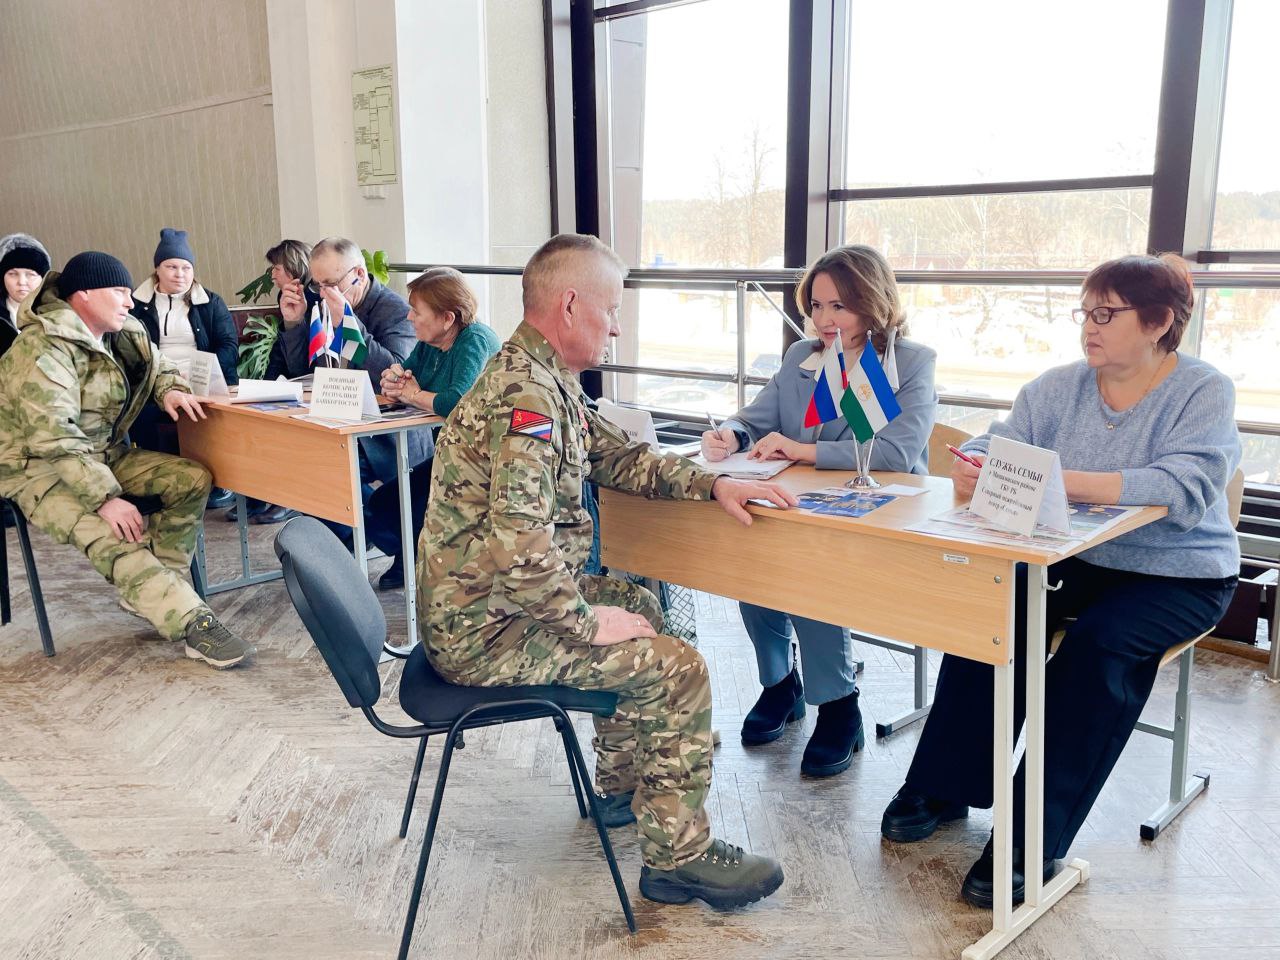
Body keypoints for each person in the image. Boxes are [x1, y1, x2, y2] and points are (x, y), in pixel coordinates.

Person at [421, 233, 798, 909]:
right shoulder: (523, 399)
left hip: (492, 607)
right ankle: (677, 859)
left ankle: (626, 788)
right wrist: (584, 623)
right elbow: (520, 542)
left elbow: (620, 456)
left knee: (637, 603)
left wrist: (713, 486)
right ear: (570, 305)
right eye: (611, 308)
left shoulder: (543, 378)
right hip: (487, 631)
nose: (618, 325)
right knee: (678, 666)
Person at [880, 254, 1240, 908]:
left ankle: (1030, 838)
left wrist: (1054, 477)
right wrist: (976, 466)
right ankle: (945, 782)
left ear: (1159, 323)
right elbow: (1002, 446)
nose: (1088, 327)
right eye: (1084, 312)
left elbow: (1183, 488)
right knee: (993, 610)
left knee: (1100, 646)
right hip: (1076, 558)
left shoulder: (1201, 390)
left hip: (1179, 574)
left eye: (1106, 314)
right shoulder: (1057, 387)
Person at [700, 244, 937, 778]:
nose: (825, 320)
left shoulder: (910, 361)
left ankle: (838, 704)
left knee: (807, 569)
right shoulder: (802, 357)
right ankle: (780, 684)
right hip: (802, 506)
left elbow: (898, 453)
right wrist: (729, 434)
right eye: (817, 306)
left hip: (882, 514)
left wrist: (800, 449)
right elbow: (756, 419)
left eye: (840, 307)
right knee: (750, 556)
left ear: (872, 303)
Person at [0, 251, 256, 669]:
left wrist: (170, 389)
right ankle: (193, 623)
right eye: (119, 291)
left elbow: (160, 366)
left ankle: (156, 589)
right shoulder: (41, 349)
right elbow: (55, 437)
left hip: (101, 454)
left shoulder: (123, 330)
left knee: (191, 478)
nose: (129, 300)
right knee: (114, 532)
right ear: (83, 296)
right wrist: (105, 499)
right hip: (38, 469)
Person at [277, 237, 431, 532]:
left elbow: (395, 373)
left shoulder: (394, 311)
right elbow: (305, 372)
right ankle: (360, 533)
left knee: (328, 469)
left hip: (386, 431)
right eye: (317, 285)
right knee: (301, 467)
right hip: (338, 419)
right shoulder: (322, 307)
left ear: (359, 274)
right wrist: (295, 325)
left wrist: (350, 327)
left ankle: (387, 533)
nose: (323, 294)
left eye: (331, 284)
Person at [365, 267, 500, 590]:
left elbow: (456, 401)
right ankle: (417, 560)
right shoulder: (430, 342)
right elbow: (407, 376)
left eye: (417, 310)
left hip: (483, 462)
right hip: (451, 453)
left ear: (448, 318)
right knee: (383, 506)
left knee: (399, 504)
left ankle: (428, 568)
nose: (409, 317)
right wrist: (394, 380)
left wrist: (413, 394)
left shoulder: (476, 340)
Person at [129, 228, 239, 509]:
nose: (180, 273)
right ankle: (157, 483)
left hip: (204, 380)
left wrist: (205, 373)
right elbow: (130, 349)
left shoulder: (210, 303)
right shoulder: (137, 305)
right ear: (157, 270)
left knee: (212, 414)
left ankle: (219, 483)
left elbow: (228, 345)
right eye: (172, 266)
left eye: (186, 267)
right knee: (143, 413)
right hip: (156, 382)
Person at [231, 238, 322, 525]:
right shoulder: (287, 299)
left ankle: (288, 498)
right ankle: (258, 495)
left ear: (294, 267)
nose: (271, 274)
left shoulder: (317, 302)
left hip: (314, 388)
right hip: (291, 382)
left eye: (276, 267)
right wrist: (265, 387)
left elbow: (308, 362)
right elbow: (282, 358)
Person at [1, 233, 51, 359]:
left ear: (43, 278)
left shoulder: (58, 313)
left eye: (30, 274)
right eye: (13, 274)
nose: (22, 282)